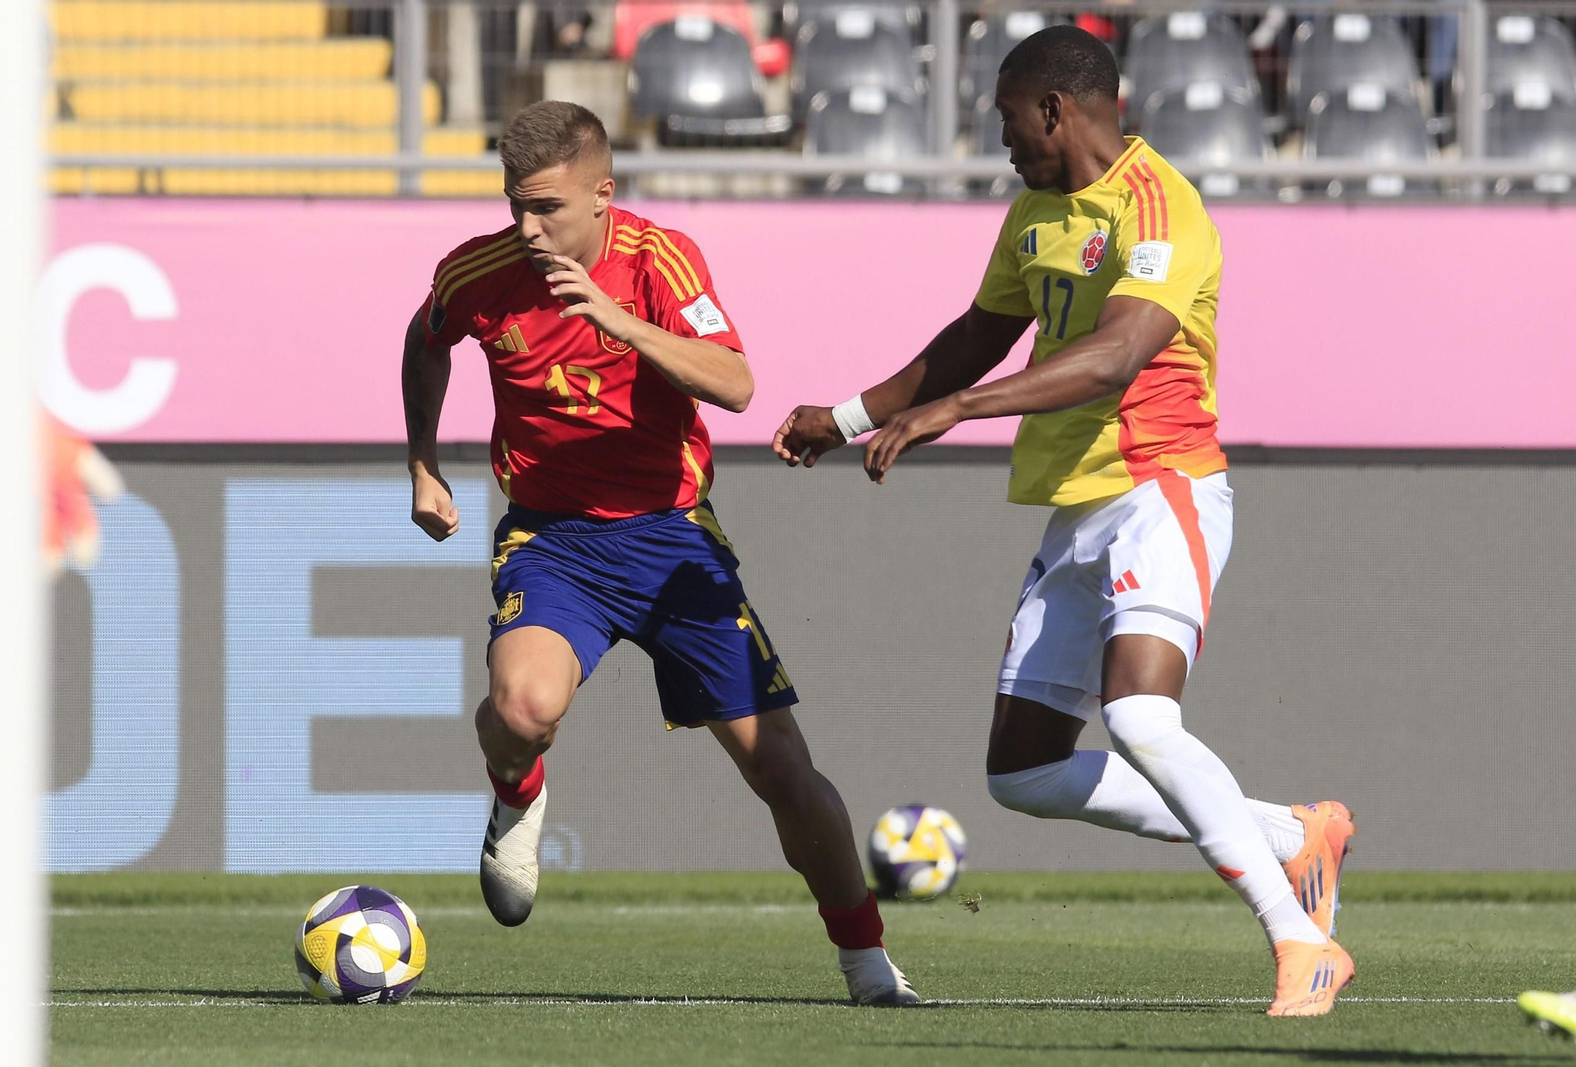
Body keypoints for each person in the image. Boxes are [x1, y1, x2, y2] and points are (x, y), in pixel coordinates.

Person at [773, 26, 1355, 1017]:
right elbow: (973, 336)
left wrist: (954, 413)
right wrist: (848, 417)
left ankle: (1300, 941)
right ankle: (1287, 830)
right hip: (1074, 508)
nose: (1001, 141)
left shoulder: (1160, 205)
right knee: (1023, 773)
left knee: (1137, 714)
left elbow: (1117, 354)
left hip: (1161, 486)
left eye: (1008, 120)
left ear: (1056, 108)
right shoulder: (1035, 213)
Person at [401, 100, 918, 1006]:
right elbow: (425, 338)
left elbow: (737, 382)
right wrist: (423, 464)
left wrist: (617, 321)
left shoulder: (659, 260)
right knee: (520, 708)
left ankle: (869, 964)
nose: (528, 228)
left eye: (548, 209)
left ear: (603, 194)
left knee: (781, 770)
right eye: (516, 205)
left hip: (671, 540)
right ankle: (515, 791)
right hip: (552, 538)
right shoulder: (476, 272)